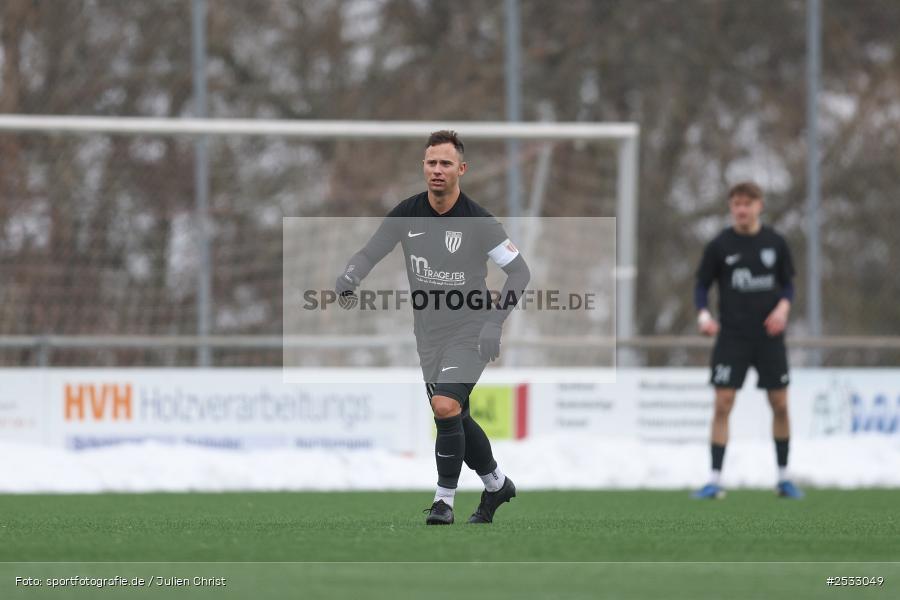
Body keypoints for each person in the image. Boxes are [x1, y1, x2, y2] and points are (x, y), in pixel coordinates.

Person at [335, 130, 530, 523]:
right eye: (431, 163)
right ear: (423, 167)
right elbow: (373, 249)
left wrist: (495, 323)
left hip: (471, 328)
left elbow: (519, 273)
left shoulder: (479, 222)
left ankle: (444, 502)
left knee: (444, 406)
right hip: (427, 334)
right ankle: (496, 485)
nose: (437, 170)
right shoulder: (408, 213)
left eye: (445, 163)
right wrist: (351, 275)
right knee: (454, 416)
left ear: (461, 169)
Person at [692, 181, 803, 499]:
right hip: (732, 337)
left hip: (769, 337)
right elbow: (701, 286)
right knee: (722, 404)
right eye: (736, 204)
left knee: (780, 403)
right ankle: (715, 479)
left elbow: (788, 286)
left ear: (760, 206)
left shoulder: (775, 243)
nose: (742, 209)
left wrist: (783, 308)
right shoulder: (719, 246)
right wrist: (703, 315)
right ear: (731, 207)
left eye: (748, 203)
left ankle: (783, 477)